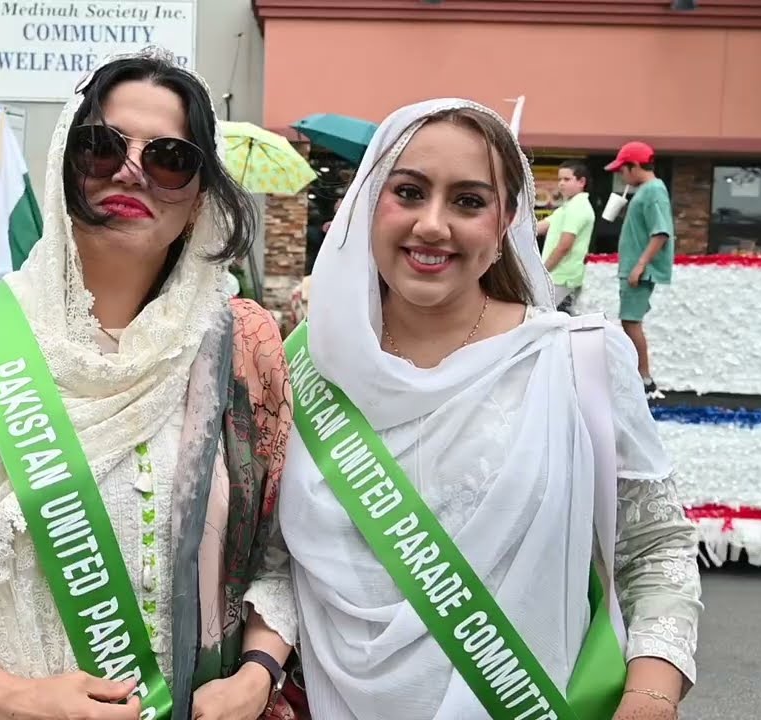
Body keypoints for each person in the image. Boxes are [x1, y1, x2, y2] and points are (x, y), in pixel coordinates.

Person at [0, 49, 297, 720]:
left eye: (170, 158)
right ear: (62, 168)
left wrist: (257, 673)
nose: (132, 170)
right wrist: (4, 698)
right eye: (102, 147)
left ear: (197, 203)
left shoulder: (240, 352)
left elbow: (282, 558)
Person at [279, 99, 701, 720]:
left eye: (468, 201)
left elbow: (657, 546)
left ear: (506, 221)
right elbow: (266, 566)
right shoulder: (299, 369)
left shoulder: (576, 361)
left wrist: (650, 695)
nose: (432, 224)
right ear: (370, 204)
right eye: (408, 191)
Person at [605, 141, 674, 397]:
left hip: (638, 269)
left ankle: (644, 380)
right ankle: (640, 377)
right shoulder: (647, 191)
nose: (621, 176)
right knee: (629, 321)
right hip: (634, 267)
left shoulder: (654, 190)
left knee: (632, 322)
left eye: (622, 170)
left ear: (634, 167)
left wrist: (640, 265)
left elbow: (661, 232)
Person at [537, 160, 596, 313]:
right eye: (559, 179)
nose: (561, 184)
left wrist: (543, 271)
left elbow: (564, 246)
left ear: (581, 182)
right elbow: (541, 226)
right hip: (557, 275)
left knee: (542, 317)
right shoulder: (568, 206)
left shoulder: (578, 208)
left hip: (561, 276)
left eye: (567, 179)